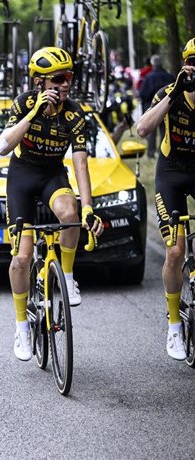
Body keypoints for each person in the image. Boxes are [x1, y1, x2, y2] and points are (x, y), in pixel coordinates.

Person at [0, 47, 104, 361]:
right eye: (59, 78)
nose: (66, 83)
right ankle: (21, 326)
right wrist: (33, 115)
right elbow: (3, 147)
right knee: (22, 258)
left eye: (70, 76)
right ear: (40, 81)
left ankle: (67, 277)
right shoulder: (24, 103)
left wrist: (87, 206)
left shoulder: (74, 114)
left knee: (70, 213)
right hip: (22, 177)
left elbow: (80, 164)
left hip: (53, 176)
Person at [136, 38, 195, 361]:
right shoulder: (169, 94)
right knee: (175, 249)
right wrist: (173, 92)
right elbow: (142, 129)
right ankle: (174, 324)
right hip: (171, 173)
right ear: (185, 65)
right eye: (193, 63)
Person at [139, 55, 175, 158]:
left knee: (151, 133)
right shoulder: (169, 75)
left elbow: (143, 94)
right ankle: (162, 152)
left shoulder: (149, 77)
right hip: (168, 109)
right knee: (165, 131)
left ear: (152, 64)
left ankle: (151, 153)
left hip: (153, 108)